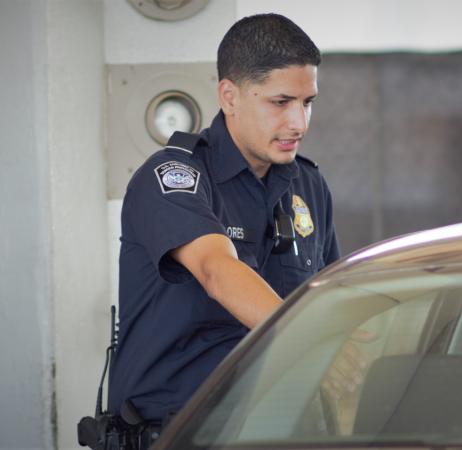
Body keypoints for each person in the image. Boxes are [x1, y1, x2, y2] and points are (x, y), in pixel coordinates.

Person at [108, 12, 339, 432]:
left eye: (308, 103)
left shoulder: (309, 184)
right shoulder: (174, 178)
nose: (299, 123)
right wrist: (311, 336)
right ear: (229, 96)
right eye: (281, 102)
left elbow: (328, 299)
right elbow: (217, 271)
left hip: (282, 428)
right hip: (178, 432)